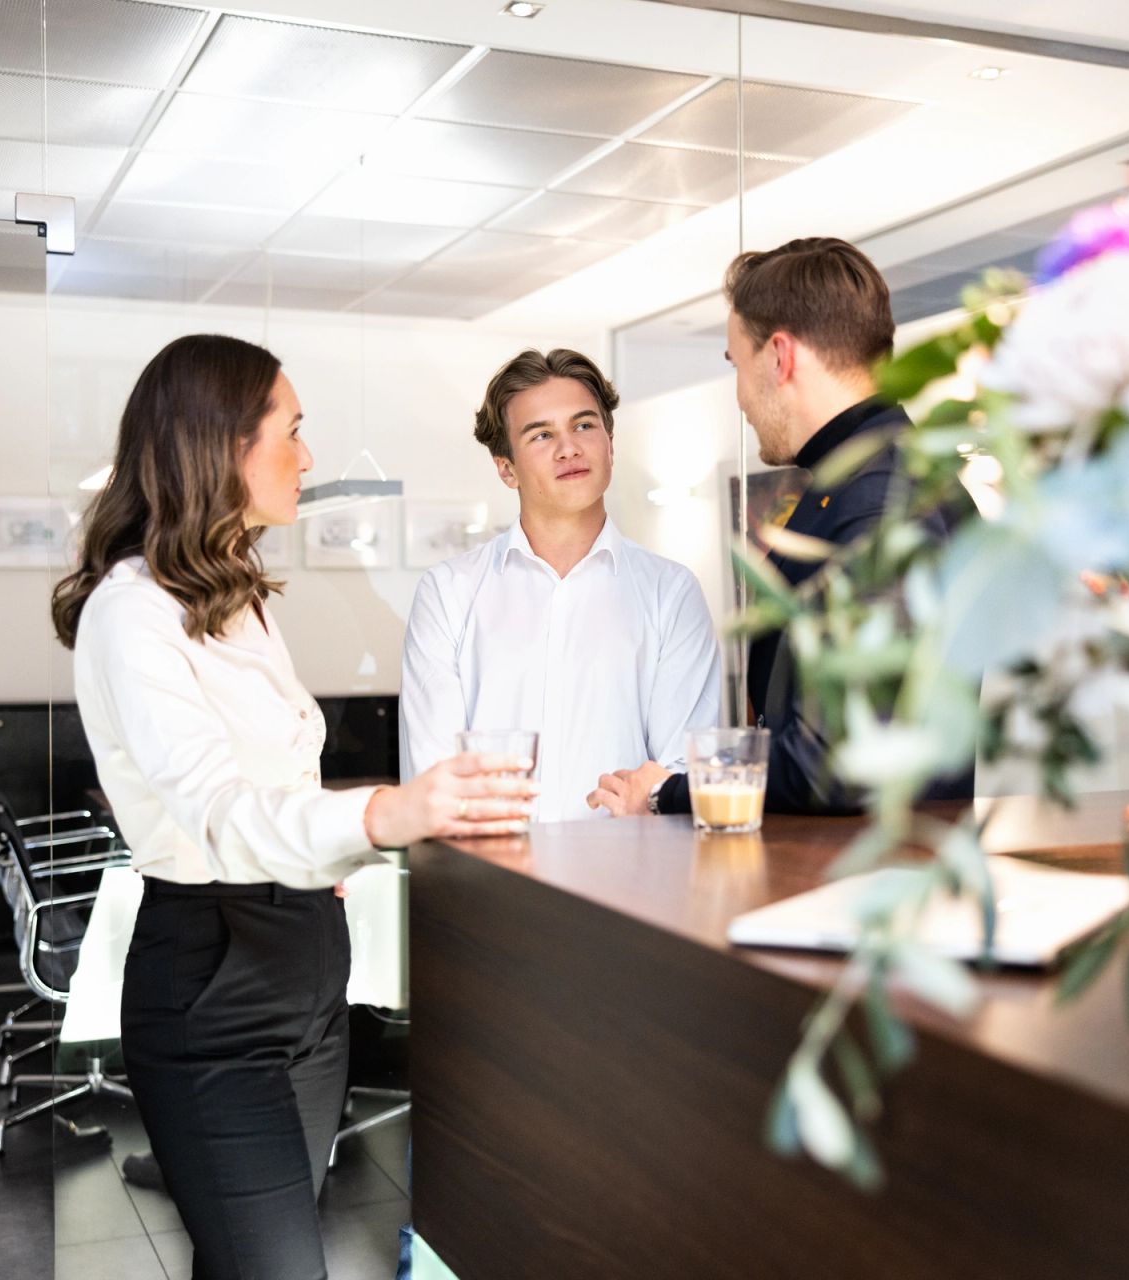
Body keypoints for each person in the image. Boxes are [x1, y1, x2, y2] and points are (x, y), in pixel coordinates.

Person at [52, 334, 538, 1280]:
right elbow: (219, 811)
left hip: (307, 963)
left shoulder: (235, 596)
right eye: (294, 430)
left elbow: (280, 782)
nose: (309, 458)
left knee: (248, 1259)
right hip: (212, 977)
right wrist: (380, 818)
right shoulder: (131, 611)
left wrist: (327, 869)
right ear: (219, 443)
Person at [589, 237, 971, 818]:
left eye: (737, 365)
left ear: (780, 357)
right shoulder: (880, 478)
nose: (741, 397)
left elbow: (843, 760)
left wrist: (669, 792)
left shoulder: (877, 499)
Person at [400, 347, 722, 820]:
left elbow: (675, 779)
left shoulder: (669, 592)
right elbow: (434, 776)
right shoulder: (448, 593)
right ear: (506, 468)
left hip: (626, 879)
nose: (568, 447)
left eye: (584, 425)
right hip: (489, 878)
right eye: (541, 435)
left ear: (610, 444)